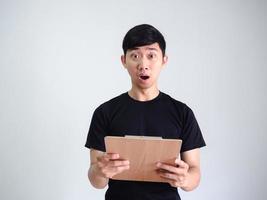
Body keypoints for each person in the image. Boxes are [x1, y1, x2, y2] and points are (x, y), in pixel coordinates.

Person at [85, 24, 206, 200]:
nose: (143, 65)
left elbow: (195, 173)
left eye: (151, 55)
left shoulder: (182, 112)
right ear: (123, 61)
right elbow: (96, 181)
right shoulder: (105, 112)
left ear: (164, 60)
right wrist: (100, 171)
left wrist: (185, 178)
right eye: (135, 56)